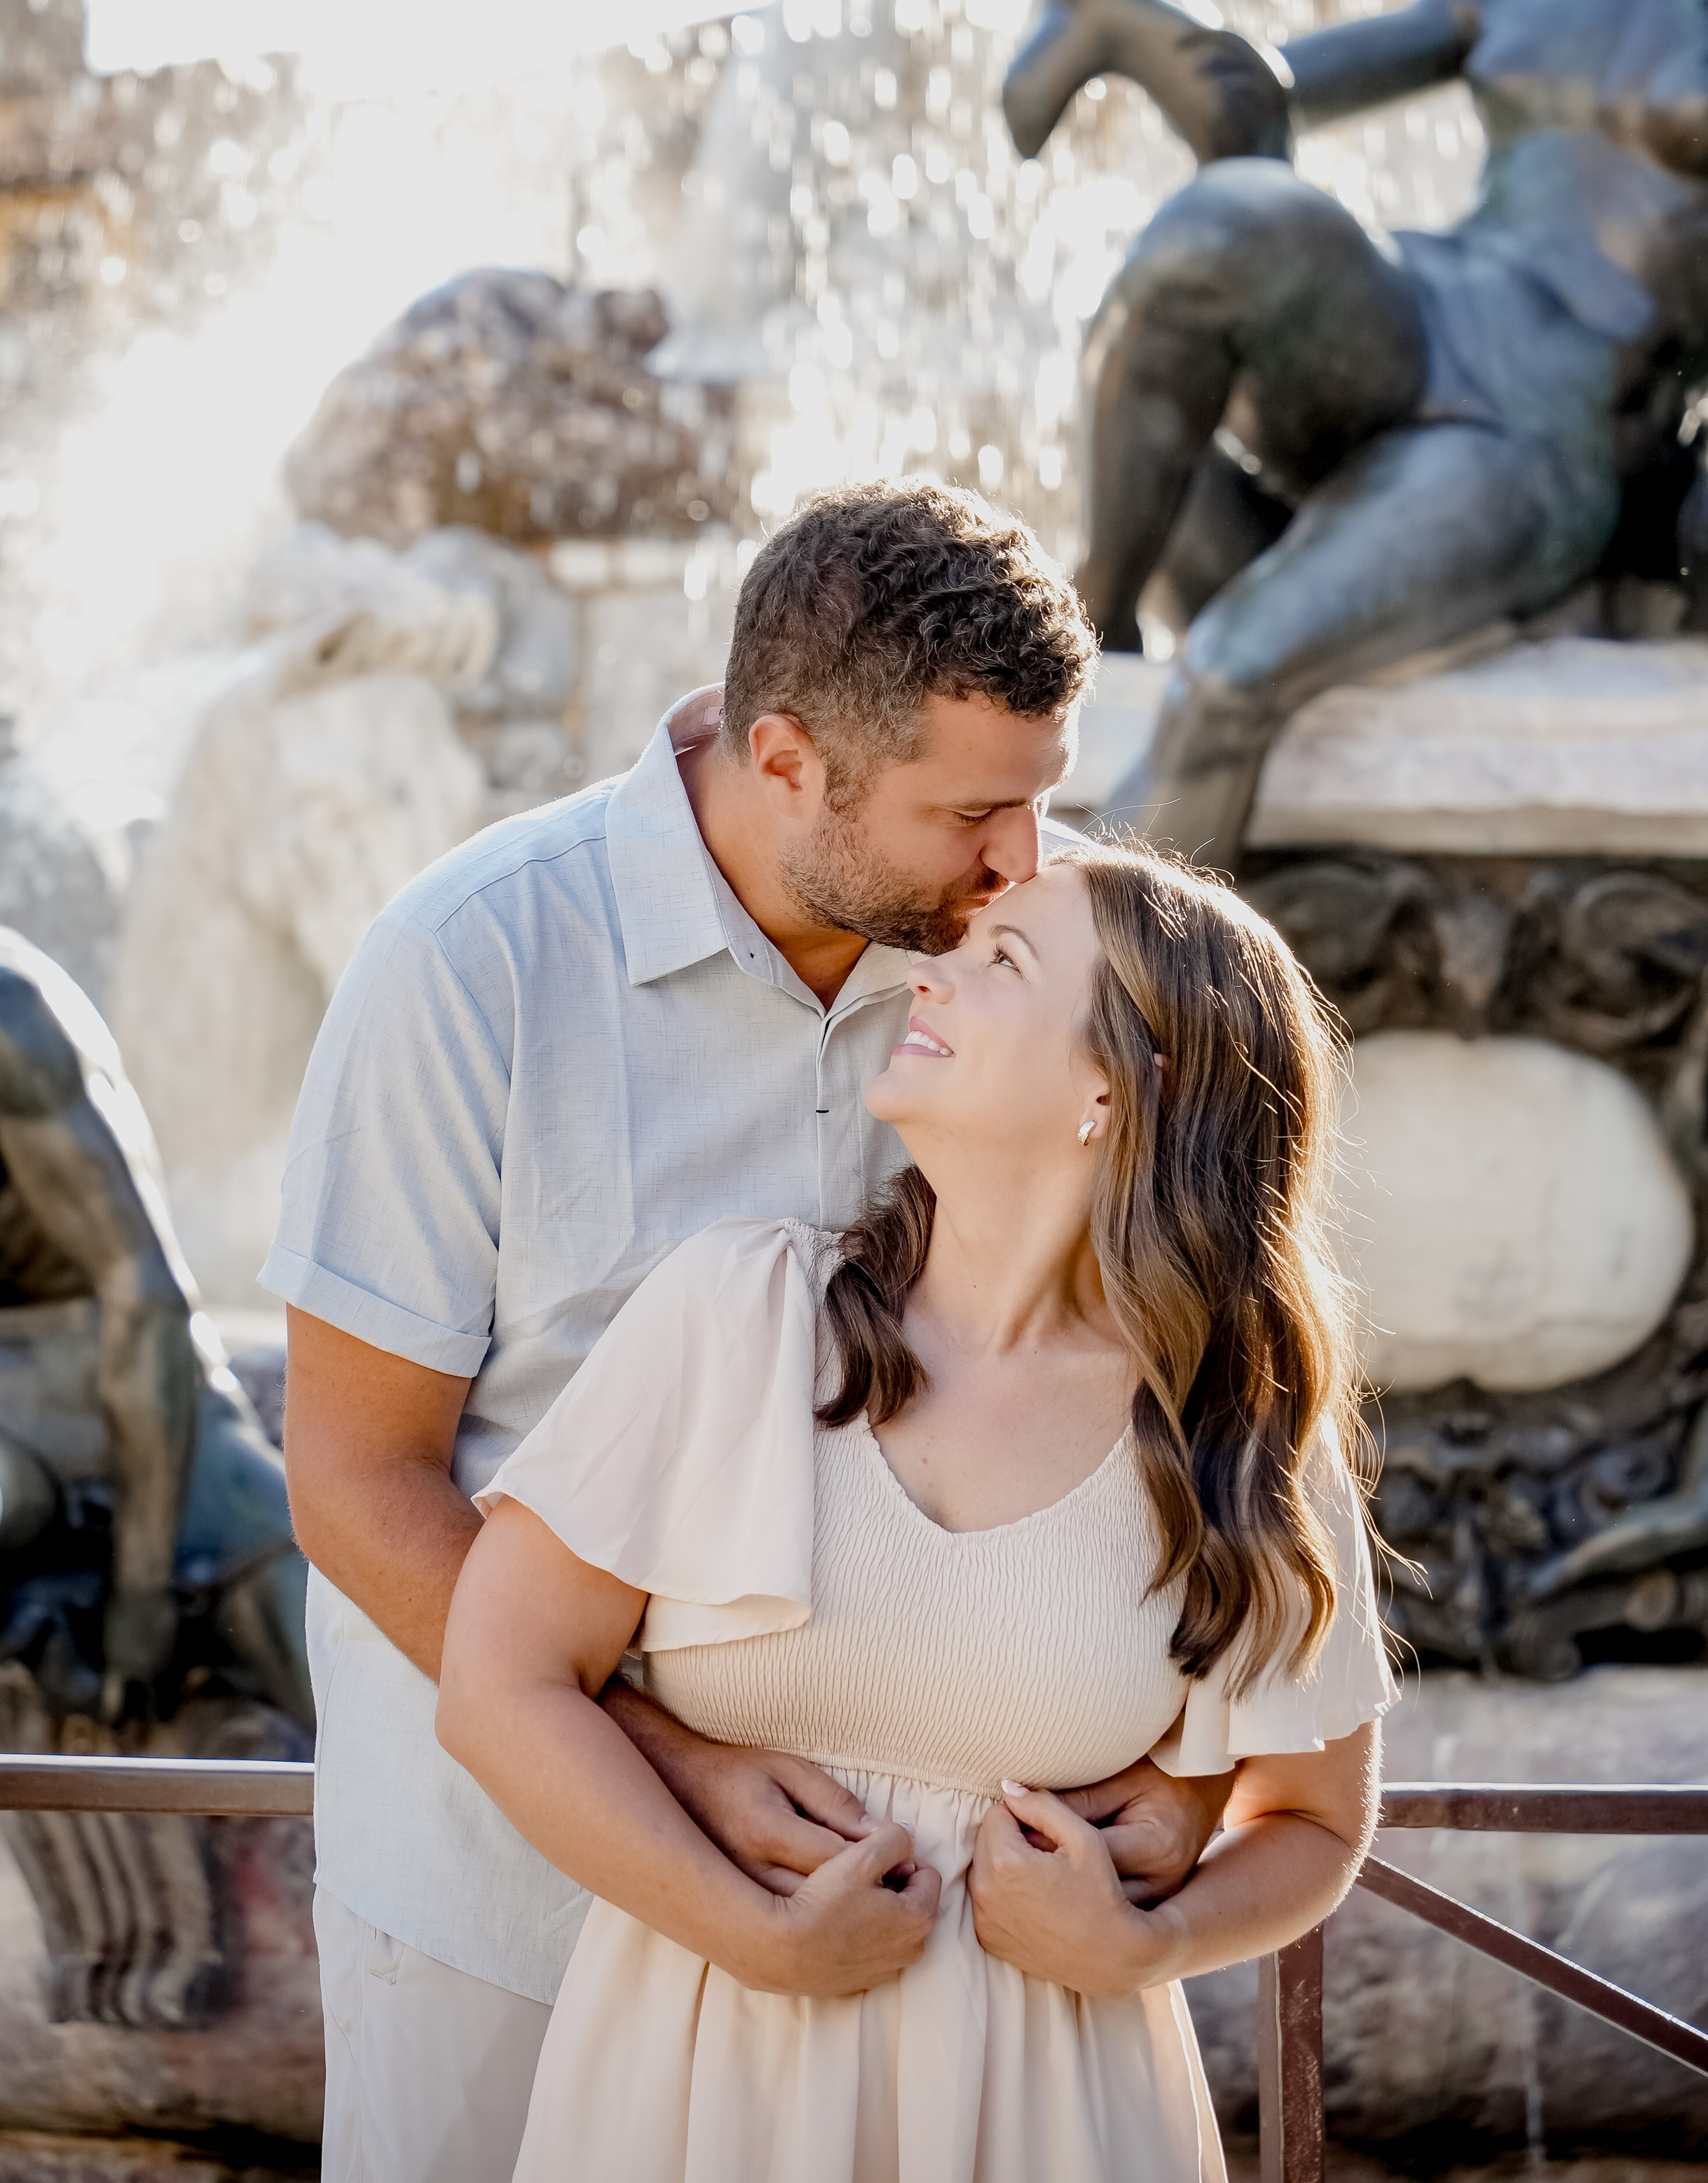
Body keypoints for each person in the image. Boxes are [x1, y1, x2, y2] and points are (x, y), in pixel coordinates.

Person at [273, 481, 1228, 2183]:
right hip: (497, 1904)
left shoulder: (1015, 963)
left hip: (884, 1957)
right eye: (971, 814)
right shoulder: (467, 962)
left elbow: (1153, 1354)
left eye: (1039, 805)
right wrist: (674, 1768)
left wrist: (1182, 1781)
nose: (1026, 861)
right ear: (783, 759)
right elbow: (353, 1479)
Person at [440, 842, 1392, 2183]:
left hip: (1053, 2115)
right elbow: (500, 1685)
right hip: (702, 2091)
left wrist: (1150, 1946)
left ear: (1116, 1087)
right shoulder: (740, 1315)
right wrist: (749, 1934)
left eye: (1001, 961)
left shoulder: (1235, 1431)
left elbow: (1311, 1817)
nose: (930, 979)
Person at [1016, 0, 1708, 865]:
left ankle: (1104, 1011)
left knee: (1234, 677)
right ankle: (1089, 628)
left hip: (1546, 433)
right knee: (1228, 221)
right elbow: (1257, 103)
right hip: (1423, 318)